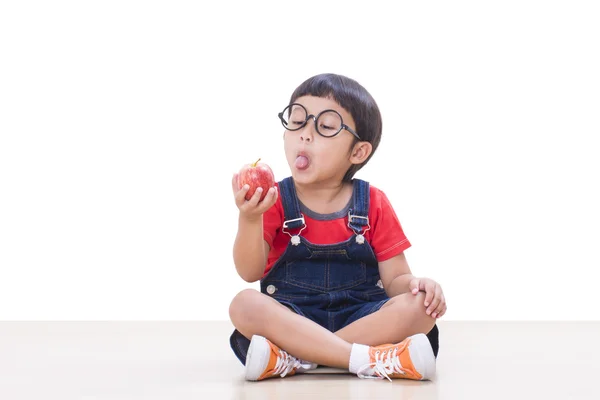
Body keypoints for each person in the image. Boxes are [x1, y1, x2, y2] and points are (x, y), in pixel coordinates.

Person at [229, 73, 446, 382]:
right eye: (297, 121)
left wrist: (419, 286)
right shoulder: (274, 199)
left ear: (357, 152)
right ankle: (365, 359)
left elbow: (395, 279)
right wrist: (249, 218)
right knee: (244, 304)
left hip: (362, 317)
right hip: (293, 318)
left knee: (422, 308)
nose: (305, 135)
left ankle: (297, 358)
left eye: (326, 127)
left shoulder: (372, 202)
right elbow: (249, 272)